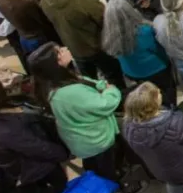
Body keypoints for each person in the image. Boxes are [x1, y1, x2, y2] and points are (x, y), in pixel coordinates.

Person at [28, 42, 123, 180]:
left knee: (95, 165)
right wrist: (111, 90)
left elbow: (85, 82)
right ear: (56, 62)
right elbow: (105, 104)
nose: (66, 48)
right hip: (96, 141)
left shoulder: (51, 83)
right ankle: (113, 187)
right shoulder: (68, 93)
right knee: (107, 170)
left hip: (82, 141)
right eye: (60, 51)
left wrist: (102, 85)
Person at [39, 0, 126, 88]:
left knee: (88, 80)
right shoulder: (84, 1)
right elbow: (106, 21)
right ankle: (120, 98)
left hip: (74, 48)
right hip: (96, 47)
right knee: (113, 75)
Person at [101, 0, 175, 106]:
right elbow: (159, 50)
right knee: (167, 92)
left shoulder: (108, 34)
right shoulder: (144, 31)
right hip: (155, 70)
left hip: (131, 72)